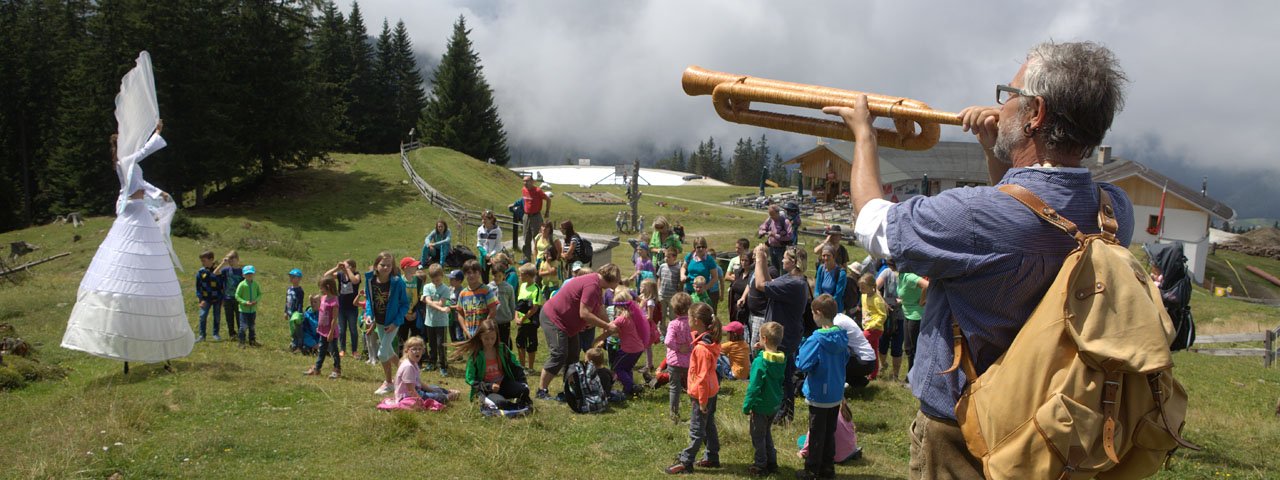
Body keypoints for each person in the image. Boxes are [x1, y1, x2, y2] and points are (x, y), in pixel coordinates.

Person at [826, 41, 1133, 478]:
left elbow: (872, 223)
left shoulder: (973, 215)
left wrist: (864, 135)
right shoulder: (1115, 210)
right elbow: (1022, 216)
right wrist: (996, 154)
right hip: (1056, 422)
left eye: (1009, 95)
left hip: (964, 429)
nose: (1000, 106)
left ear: (1035, 114)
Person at [62, 110, 194, 368]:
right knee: (131, 265)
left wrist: (160, 193)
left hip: (138, 208)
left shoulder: (129, 162)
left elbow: (142, 183)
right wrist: (156, 133)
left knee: (147, 266)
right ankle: (128, 340)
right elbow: (142, 154)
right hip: (132, 212)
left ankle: (155, 344)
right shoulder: (125, 160)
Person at [534, 263, 621, 400]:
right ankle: (541, 390)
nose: (617, 284)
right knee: (559, 353)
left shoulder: (596, 284)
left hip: (568, 324)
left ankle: (568, 390)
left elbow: (598, 309)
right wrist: (607, 326)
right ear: (611, 278)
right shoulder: (592, 285)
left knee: (573, 356)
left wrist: (610, 324)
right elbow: (584, 314)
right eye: (617, 280)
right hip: (554, 318)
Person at [751, 243, 809, 424]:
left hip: (784, 336)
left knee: (783, 377)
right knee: (782, 374)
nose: (782, 259)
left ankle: (784, 414)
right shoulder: (791, 279)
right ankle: (780, 411)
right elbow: (769, 283)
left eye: (785, 257)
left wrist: (761, 257)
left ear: (793, 261)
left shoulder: (794, 283)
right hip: (783, 334)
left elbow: (761, 284)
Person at [796, 294, 851, 479]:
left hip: (819, 394)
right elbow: (846, 359)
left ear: (818, 313)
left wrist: (802, 350)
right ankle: (828, 468)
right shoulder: (842, 336)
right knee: (829, 432)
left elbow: (802, 364)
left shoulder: (816, 339)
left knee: (817, 433)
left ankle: (812, 469)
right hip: (835, 392)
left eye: (812, 313)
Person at [665, 302, 722, 475]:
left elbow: (702, 378)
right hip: (711, 391)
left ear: (696, 320)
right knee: (709, 425)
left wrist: (702, 402)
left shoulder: (701, 349)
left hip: (702, 395)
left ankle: (686, 461)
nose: (687, 321)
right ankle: (712, 456)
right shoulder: (709, 340)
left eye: (689, 318)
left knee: (697, 430)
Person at [742, 321, 786, 476]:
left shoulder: (760, 362)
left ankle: (761, 465)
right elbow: (769, 360)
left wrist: (747, 406)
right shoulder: (780, 359)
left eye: (760, 337)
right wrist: (761, 350)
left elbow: (753, 387)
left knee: (758, 437)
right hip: (774, 404)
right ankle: (772, 462)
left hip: (760, 406)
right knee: (766, 432)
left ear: (764, 339)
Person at [453, 319, 530, 407]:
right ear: (480, 337)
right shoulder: (475, 355)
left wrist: (523, 382)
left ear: (497, 336)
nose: (490, 341)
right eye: (486, 338)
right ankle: (489, 400)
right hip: (486, 390)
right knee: (500, 403)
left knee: (524, 390)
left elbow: (516, 366)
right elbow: (470, 378)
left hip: (503, 384)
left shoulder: (502, 349)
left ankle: (514, 402)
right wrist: (489, 386)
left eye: (493, 338)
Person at [364, 252, 411, 396]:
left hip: (393, 323)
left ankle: (389, 382)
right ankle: (409, 376)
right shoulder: (370, 280)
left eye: (389, 265)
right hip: (379, 322)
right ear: (376, 265)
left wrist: (396, 322)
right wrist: (368, 314)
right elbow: (369, 300)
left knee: (382, 353)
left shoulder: (397, 282)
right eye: (382, 265)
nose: (385, 268)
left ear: (393, 266)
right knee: (389, 352)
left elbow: (404, 304)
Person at [595, 288, 650, 397]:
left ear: (618, 306)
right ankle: (630, 387)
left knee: (617, 368)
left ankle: (630, 387)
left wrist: (597, 340)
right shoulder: (633, 315)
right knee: (627, 368)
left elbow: (609, 330)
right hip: (638, 348)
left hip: (629, 350)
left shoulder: (621, 319)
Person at [396, 336, 461, 405]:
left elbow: (418, 382)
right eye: (414, 349)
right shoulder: (408, 366)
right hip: (406, 396)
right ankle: (446, 397)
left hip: (416, 389)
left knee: (434, 387)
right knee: (439, 397)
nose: (417, 351)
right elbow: (410, 390)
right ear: (407, 351)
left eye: (419, 349)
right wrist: (420, 401)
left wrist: (432, 390)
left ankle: (446, 392)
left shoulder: (413, 363)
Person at [830, 298, 878, 390]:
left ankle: (835, 387)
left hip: (864, 362)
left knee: (831, 359)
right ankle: (858, 381)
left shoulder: (837, 323)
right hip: (868, 360)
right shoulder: (841, 316)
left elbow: (833, 347)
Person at [798, 400, 862, 465]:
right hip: (851, 450)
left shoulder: (820, 416)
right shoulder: (844, 412)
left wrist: (802, 453)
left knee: (801, 440)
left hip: (835, 456)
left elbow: (812, 438)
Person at [663, 292, 694, 422]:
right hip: (690, 362)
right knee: (692, 388)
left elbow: (667, 341)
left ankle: (674, 414)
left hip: (674, 362)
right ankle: (696, 412)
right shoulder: (694, 324)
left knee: (674, 388)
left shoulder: (673, 324)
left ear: (674, 309)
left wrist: (678, 348)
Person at [306, 275, 342, 379]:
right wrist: (319, 327)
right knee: (321, 350)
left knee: (334, 351)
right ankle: (317, 369)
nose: (320, 289)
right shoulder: (323, 298)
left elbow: (334, 319)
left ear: (328, 287)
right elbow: (321, 313)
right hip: (322, 330)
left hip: (331, 332)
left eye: (321, 287)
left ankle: (337, 369)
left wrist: (331, 332)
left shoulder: (334, 301)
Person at [420, 264, 452, 375]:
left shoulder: (446, 289)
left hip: (441, 322)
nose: (435, 281)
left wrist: (428, 301)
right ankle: (432, 363)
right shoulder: (427, 287)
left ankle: (443, 365)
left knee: (441, 344)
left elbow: (440, 302)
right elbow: (429, 301)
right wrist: (440, 308)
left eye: (437, 279)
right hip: (429, 321)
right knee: (432, 344)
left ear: (442, 276)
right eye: (433, 280)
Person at [454, 259, 498, 339]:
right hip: (469, 334)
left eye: (474, 272)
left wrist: (484, 327)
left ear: (479, 274)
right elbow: (460, 314)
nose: (472, 275)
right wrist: (465, 330)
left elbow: (493, 310)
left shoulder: (486, 290)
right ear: (464, 274)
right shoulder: (463, 293)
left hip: (484, 334)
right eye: (469, 273)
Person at [326, 259, 361, 358]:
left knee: (353, 329)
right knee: (342, 330)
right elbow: (327, 276)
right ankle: (342, 349)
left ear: (353, 268)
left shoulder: (356, 274)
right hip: (341, 307)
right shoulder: (340, 274)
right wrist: (337, 268)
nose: (344, 268)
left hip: (352, 307)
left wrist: (348, 270)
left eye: (347, 266)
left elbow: (355, 281)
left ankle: (354, 350)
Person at [896, 268, 928, 374]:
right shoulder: (900, 276)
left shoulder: (909, 276)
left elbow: (926, 285)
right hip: (907, 314)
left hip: (916, 316)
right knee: (908, 348)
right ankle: (910, 376)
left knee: (915, 349)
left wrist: (922, 300)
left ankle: (917, 376)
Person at [515, 263, 544, 375]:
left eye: (521, 275)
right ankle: (522, 367)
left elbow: (535, 308)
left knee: (531, 345)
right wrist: (517, 317)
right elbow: (518, 304)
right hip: (521, 322)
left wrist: (523, 319)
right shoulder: (522, 286)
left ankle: (530, 368)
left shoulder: (536, 289)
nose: (520, 277)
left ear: (528, 276)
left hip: (530, 322)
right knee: (520, 343)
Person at [681, 237, 721, 311]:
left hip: (702, 291)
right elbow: (683, 267)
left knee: (701, 312)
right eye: (698, 247)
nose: (701, 249)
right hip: (689, 289)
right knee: (688, 311)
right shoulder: (689, 256)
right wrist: (682, 275)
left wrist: (705, 288)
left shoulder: (709, 260)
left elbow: (715, 277)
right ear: (694, 248)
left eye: (703, 247)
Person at [194, 251, 223, 342]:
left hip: (217, 298)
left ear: (211, 259)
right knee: (202, 316)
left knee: (217, 316)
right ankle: (202, 335)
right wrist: (200, 299)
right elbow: (198, 287)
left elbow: (223, 285)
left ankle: (216, 334)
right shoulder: (201, 272)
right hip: (205, 299)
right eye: (201, 261)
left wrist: (223, 298)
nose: (202, 262)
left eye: (204, 260)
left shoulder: (219, 271)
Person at [521, 176, 551, 261]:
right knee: (526, 237)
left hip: (536, 217)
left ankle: (539, 257)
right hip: (526, 216)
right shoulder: (523, 189)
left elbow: (548, 199)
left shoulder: (538, 191)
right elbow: (525, 201)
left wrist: (547, 211)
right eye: (524, 181)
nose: (525, 183)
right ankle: (526, 258)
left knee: (537, 237)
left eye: (527, 181)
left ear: (532, 182)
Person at [638, 278, 663, 378]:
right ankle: (648, 364)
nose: (640, 288)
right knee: (645, 346)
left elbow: (650, 317)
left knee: (647, 346)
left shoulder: (650, 302)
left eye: (642, 286)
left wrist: (639, 317)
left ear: (648, 289)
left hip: (647, 325)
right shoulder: (643, 299)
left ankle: (649, 365)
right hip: (644, 325)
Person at [757, 205, 793, 273]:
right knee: (774, 268)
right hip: (771, 248)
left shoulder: (785, 222)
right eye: (770, 215)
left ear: (777, 213)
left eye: (773, 215)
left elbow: (789, 236)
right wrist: (763, 232)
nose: (771, 217)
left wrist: (774, 235)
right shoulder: (770, 220)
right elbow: (762, 228)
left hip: (782, 248)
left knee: (784, 268)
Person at [814, 245, 849, 313]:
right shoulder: (821, 269)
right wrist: (818, 302)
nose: (825, 258)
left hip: (834, 309)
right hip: (821, 307)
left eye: (828, 255)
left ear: (834, 256)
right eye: (823, 255)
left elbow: (838, 295)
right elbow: (817, 289)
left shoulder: (841, 273)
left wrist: (825, 305)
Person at [235, 265, 262, 348]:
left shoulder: (256, 284)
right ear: (243, 275)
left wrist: (256, 301)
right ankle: (241, 342)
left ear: (253, 274)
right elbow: (237, 295)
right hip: (243, 310)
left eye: (251, 273)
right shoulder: (242, 285)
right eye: (247, 274)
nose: (249, 275)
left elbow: (259, 294)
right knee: (243, 327)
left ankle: (252, 341)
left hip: (253, 310)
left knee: (252, 326)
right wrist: (244, 302)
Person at [218, 251, 243, 339]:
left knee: (239, 317)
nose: (230, 261)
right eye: (229, 259)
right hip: (227, 298)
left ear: (237, 259)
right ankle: (232, 334)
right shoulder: (226, 270)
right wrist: (222, 263)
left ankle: (241, 334)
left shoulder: (242, 271)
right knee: (229, 318)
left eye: (232, 259)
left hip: (238, 298)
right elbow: (215, 273)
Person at [491, 263, 516, 349]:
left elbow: (512, 303)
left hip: (505, 320)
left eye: (499, 276)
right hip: (493, 321)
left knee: (505, 344)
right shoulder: (488, 288)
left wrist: (512, 316)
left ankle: (506, 360)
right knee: (494, 343)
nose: (497, 278)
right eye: (495, 276)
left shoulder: (509, 288)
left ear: (504, 276)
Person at [655, 245, 682, 326]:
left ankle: (673, 329)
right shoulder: (662, 266)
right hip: (662, 294)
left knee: (672, 315)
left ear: (674, 257)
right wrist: (658, 290)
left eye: (668, 257)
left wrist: (679, 292)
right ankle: (662, 330)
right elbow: (659, 278)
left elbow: (680, 282)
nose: (666, 258)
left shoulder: (678, 268)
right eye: (665, 256)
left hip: (672, 296)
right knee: (662, 314)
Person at [285, 268, 305, 350]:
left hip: (296, 314)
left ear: (299, 279)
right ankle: (294, 343)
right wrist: (285, 311)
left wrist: (299, 313)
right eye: (290, 277)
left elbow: (300, 303)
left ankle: (300, 345)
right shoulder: (289, 289)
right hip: (290, 313)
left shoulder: (300, 291)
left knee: (298, 330)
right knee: (292, 329)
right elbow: (286, 301)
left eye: (294, 277)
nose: (291, 278)